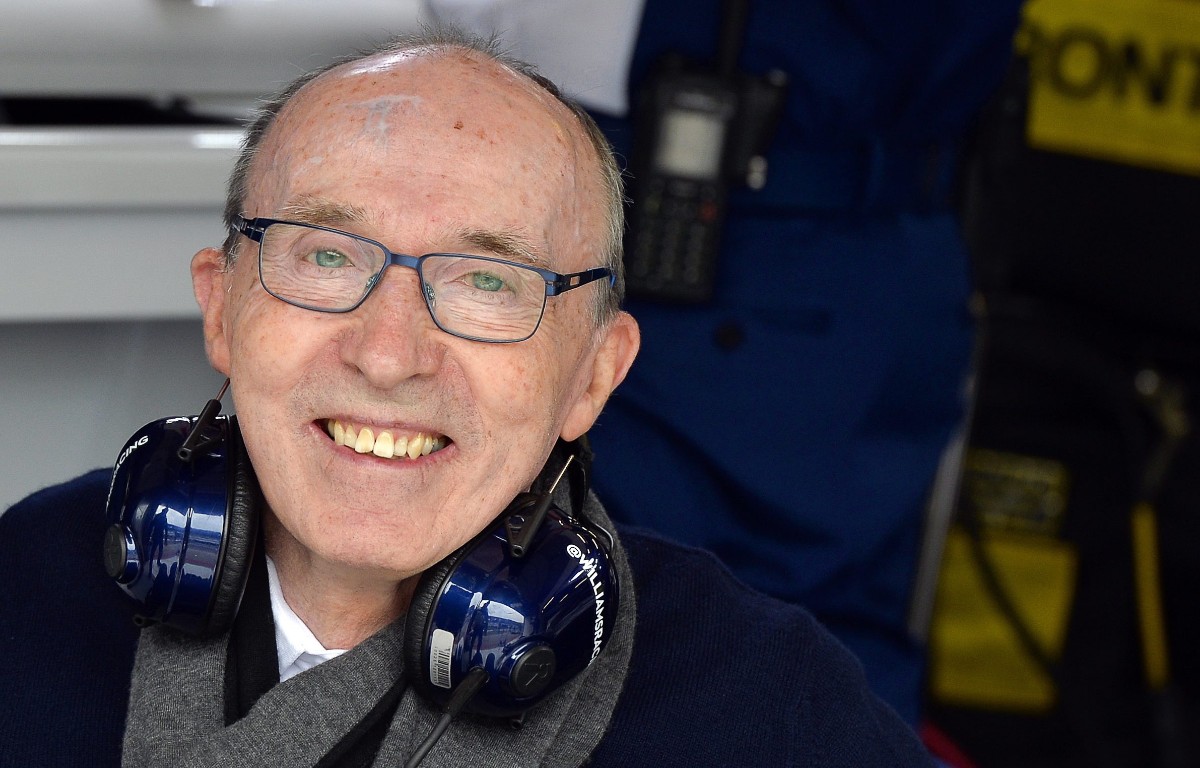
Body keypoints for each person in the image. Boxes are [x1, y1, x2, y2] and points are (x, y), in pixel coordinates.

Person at [0, 27, 933, 767]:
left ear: (594, 375)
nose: (389, 353)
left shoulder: (761, 705)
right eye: (327, 256)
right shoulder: (27, 582)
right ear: (220, 307)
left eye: (488, 282)